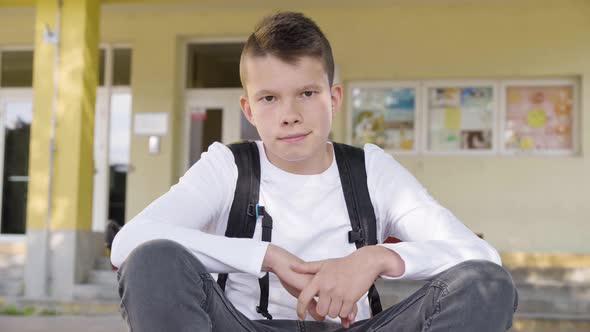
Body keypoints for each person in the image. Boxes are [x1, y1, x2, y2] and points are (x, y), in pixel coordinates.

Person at [111, 11, 517, 332]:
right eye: (269, 98)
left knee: (485, 285)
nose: (290, 115)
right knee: (153, 261)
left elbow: (483, 258)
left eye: (307, 93)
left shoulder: (370, 169)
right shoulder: (227, 166)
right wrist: (264, 256)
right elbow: (129, 241)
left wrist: (376, 258)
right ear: (248, 110)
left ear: (333, 98)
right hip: (243, 324)